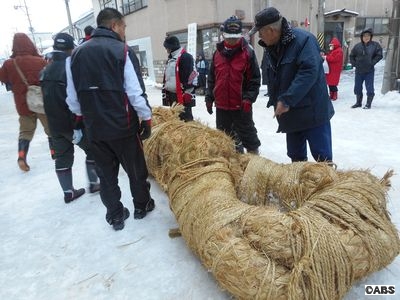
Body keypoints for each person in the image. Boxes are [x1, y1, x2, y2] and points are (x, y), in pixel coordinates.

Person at [66, 8, 155, 231]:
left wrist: (82, 120)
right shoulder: (122, 51)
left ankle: (115, 215)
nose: (124, 31)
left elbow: (72, 97)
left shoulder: (75, 55)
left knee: (106, 175)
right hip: (123, 127)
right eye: (124, 26)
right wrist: (146, 119)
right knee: (136, 170)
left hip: (95, 129)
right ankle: (142, 206)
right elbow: (135, 92)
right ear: (114, 25)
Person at [249, 7, 334, 163]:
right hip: (291, 115)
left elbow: (309, 72)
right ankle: (300, 186)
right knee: (296, 157)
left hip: (312, 112)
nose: (259, 36)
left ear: (271, 30)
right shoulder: (271, 46)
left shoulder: (304, 41)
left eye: (260, 32)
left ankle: (327, 185)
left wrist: (287, 99)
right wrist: (275, 100)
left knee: (323, 158)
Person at [40, 32, 100, 203]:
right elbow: (76, 98)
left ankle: (68, 192)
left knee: (62, 157)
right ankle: (94, 183)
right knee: (92, 149)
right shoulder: (71, 68)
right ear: (70, 48)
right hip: (72, 123)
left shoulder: (45, 70)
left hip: (53, 124)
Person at [205, 16, 261, 154]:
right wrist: (209, 97)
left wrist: (248, 99)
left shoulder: (248, 53)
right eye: (229, 37)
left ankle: (254, 165)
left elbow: (255, 80)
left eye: (235, 37)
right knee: (225, 141)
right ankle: (232, 166)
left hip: (241, 107)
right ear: (223, 34)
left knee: (249, 138)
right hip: (222, 107)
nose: (232, 40)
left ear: (240, 35)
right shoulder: (217, 53)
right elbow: (212, 78)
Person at [0, 33, 54, 172]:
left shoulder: (8, 64)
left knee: (25, 131)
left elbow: (4, 79)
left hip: (22, 103)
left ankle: (22, 156)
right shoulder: (40, 61)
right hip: (41, 101)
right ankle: (55, 152)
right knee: (50, 129)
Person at [162, 35, 197, 122]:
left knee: (185, 120)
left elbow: (190, 77)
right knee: (175, 119)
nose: (166, 50)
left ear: (172, 47)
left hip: (181, 95)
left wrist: (187, 93)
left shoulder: (185, 57)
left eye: (167, 47)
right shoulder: (171, 58)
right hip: (172, 95)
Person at [349, 28, 383, 109]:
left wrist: (372, 62)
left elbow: (379, 55)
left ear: (371, 37)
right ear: (362, 37)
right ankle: (358, 102)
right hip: (359, 71)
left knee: (369, 87)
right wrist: (355, 64)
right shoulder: (357, 46)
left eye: (368, 36)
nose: (366, 37)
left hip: (369, 71)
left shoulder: (375, 45)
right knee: (357, 87)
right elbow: (351, 55)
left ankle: (368, 104)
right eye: (364, 36)